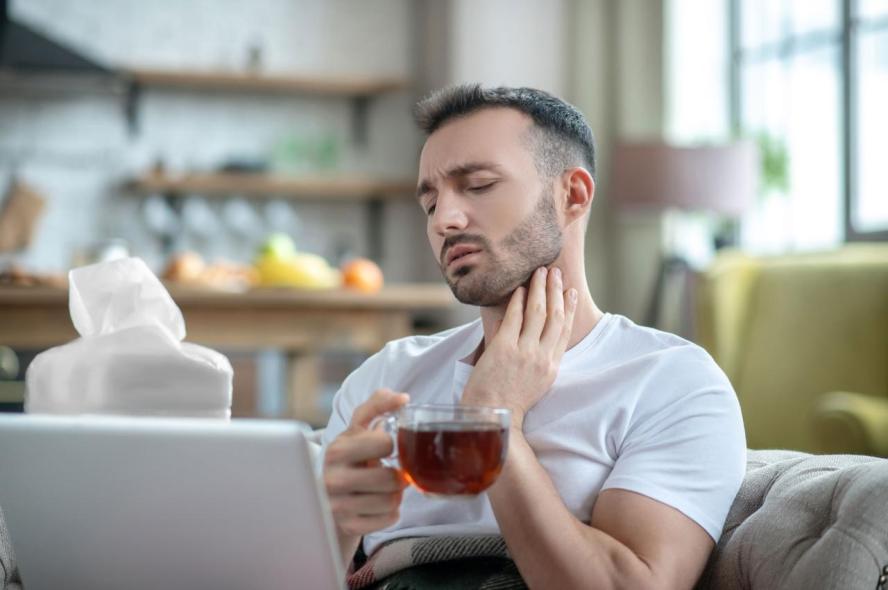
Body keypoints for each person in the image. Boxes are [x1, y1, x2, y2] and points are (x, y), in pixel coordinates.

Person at [321, 84, 746, 589]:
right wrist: (335, 524)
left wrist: (490, 423)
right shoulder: (386, 377)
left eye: (477, 185)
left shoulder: (673, 383)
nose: (445, 220)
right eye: (430, 202)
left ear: (573, 194)